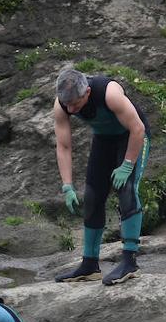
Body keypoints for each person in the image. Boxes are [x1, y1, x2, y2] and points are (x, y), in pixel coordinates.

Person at [52, 68, 151, 286]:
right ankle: (89, 265)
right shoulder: (62, 105)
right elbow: (64, 145)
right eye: (66, 105)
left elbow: (138, 128)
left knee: (126, 190)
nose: (71, 109)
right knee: (92, 196)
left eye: (75, 105)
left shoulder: (109, 93)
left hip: (131, 137)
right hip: (104, 140)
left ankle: (130, 262)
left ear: (87, 92)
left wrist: (126, 165)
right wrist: (67, 185)